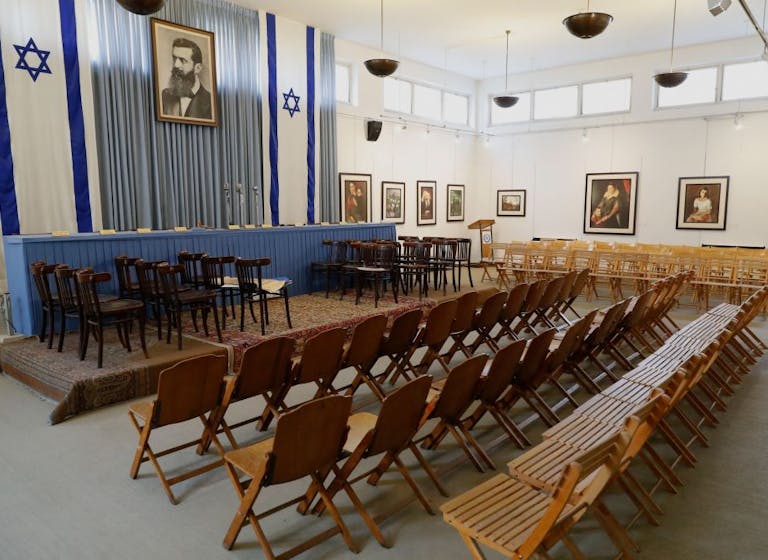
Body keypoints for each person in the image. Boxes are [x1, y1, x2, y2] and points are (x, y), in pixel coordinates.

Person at [161, 37, 212, 120]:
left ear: (198, 68)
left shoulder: (210, 101)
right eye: (174, 59)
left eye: (183, 60)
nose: (176, 65)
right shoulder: (165, 95)